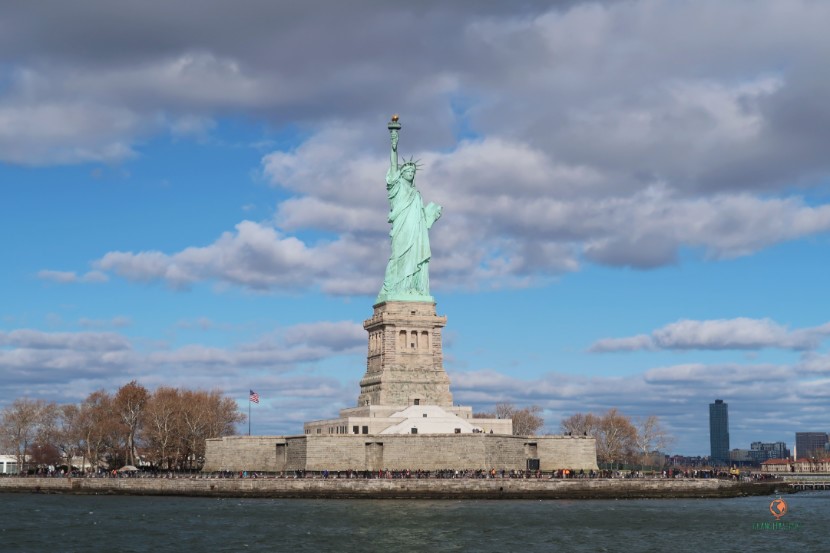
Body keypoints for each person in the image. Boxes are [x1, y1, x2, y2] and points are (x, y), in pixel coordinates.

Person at [376, 119, 442, 303]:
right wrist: (393, 144)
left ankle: (414, 288)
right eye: (407, 170)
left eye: (413, 171)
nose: (411, 173)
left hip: (416, 232)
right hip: (402, 228)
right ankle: (396, 288)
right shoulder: (396, 187)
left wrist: (431, 215)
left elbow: (422, 218)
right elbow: (393, 163)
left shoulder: (417, 194)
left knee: (415, 257)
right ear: (401, 173)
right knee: (398, 255)